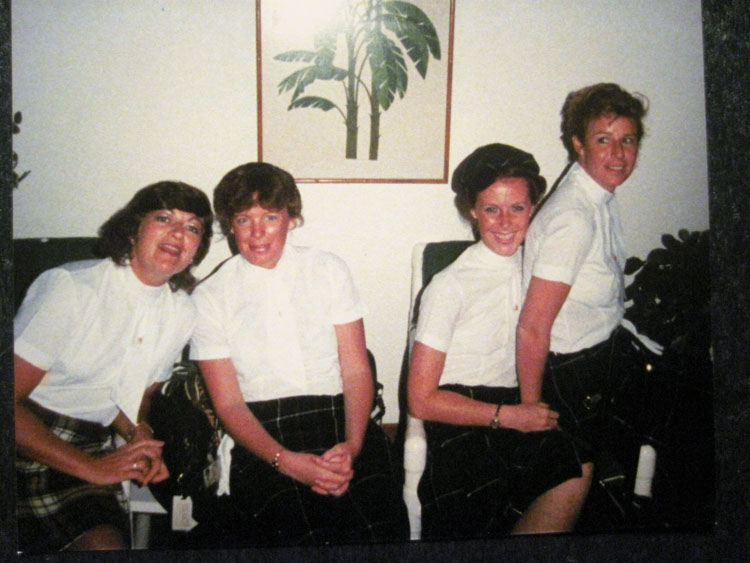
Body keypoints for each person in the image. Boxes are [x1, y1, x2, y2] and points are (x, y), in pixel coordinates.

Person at [189, 162, 408, 546]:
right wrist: (285, 461)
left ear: (291, 219)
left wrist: (353, 446)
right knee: (298, 533)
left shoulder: (329, 270)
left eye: (270, 217)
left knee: (376, 531)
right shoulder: (210, 296)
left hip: (342, 420)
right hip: (262, 435)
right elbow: (229, 405)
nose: (257, 233)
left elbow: (356, 371)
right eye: (244, 219)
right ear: (230, 225)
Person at [14, 181, 214, 553]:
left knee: (106, 546)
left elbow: (137, 397)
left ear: (196, 250)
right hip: (25, 440)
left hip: (92, 443)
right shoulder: (71, 288)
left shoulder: (182, 311)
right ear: (133, 230)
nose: (178, 233)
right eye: (164, 218)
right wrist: (93, 468)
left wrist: (139, 435)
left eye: (192, 227)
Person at [408, 143, 593, 540]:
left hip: (520, 399)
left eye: (518, 208)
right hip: (462, 411)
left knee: (576, 462)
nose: (505, 222)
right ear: (472, 211)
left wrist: (523, 410)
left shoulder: (542, 271)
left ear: (535, 209)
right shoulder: (450, 286)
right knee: (478, 502)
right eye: (491, 209)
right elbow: (421, 400)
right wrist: (508, 417)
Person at [516, 83, 652, 462]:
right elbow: (532, 327)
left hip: (603, 352)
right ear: (579, 144)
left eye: (628, 140)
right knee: (579, 477)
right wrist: (530, 410)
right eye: (603, 139)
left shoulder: (598, 195)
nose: (618, 154)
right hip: (571, 372)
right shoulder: (574, 218)